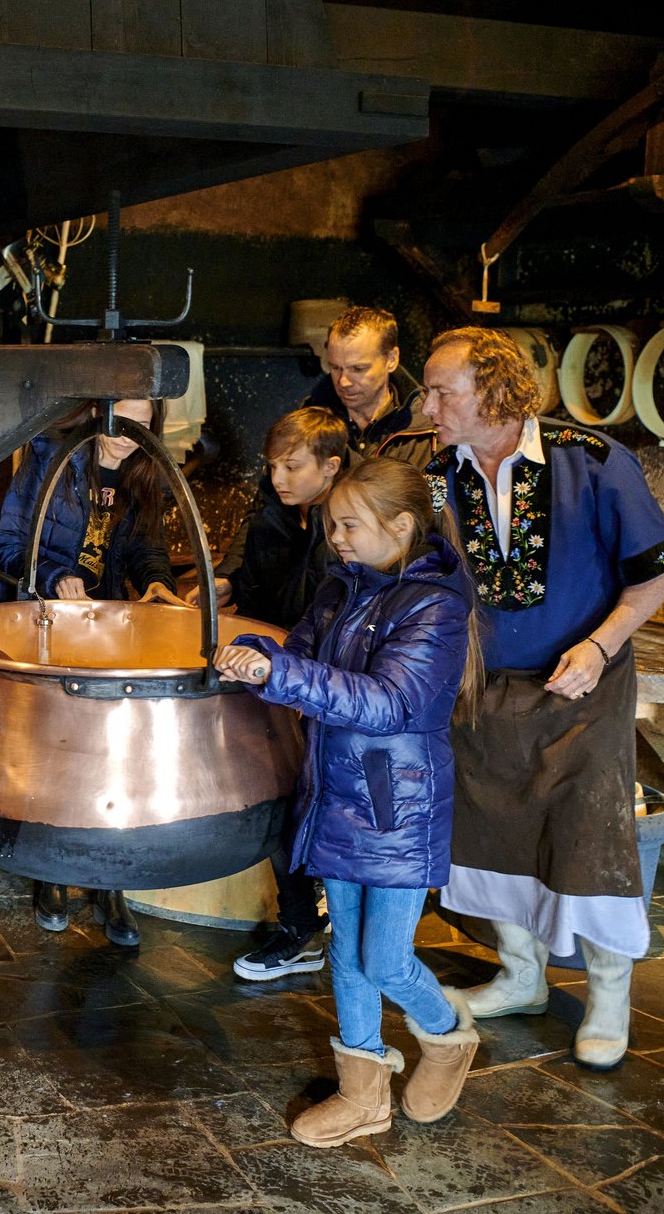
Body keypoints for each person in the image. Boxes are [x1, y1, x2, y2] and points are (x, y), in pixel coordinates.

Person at [420, 326, 664, 1072]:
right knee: (491, 829)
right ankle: (523, 974)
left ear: (496, 390)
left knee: (588, 834)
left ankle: (608, 995)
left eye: (444, 390)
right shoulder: (439, 471)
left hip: (584, 688)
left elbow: (658, 570)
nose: (429, 404)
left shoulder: (593, 460)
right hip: (481, 690)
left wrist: (600, 646)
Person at [215, 456, 481, 1147]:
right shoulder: (340, 586)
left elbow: (392, 701)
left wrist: (284, 673)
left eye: (348, 524)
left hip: (397, 809)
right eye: (331, 523)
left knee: (387, 959)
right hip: (333, 793)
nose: (334, 535)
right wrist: (251, 654)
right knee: (345, 952)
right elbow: (298, 652)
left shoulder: (436, 606)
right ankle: (363, 1096)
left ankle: (449, 1038)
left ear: (401, 525)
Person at [0, 398, 183, 947]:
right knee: (53, 752)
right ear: (96, 411)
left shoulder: (148, 470)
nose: (128, 434)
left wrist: (155, 583)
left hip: (110, 632)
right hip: (45, 626)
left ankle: (112, 882)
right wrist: (53, 577)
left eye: (142, 425)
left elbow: (149, 548)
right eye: (119, 420)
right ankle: (50, 873)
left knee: (114, 758)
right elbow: (8, 546)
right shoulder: (51, 455)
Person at [210, 407, 349, 981]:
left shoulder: (347, 522)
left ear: (332, 466)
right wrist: (214, 587)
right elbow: (241, 569)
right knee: (283, 799)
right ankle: (307, 928)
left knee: (313, 803)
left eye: (292, 466)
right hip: (279, 670)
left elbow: (337, 601)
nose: (278, 479)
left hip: (324, 678)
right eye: (272, 466)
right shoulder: (278, 510)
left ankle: (322, 932)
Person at [304, 307, 434, 466]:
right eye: (335, 367)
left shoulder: (431, 426)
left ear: (391, 359)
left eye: (358, 369)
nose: (343, 382)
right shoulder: (306, 423)